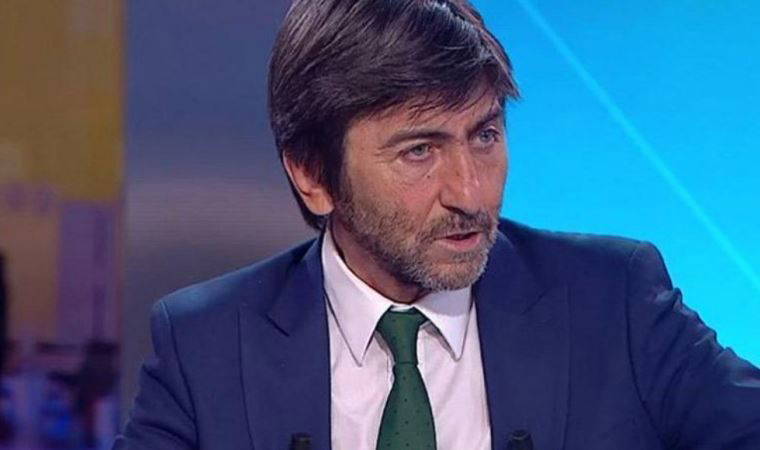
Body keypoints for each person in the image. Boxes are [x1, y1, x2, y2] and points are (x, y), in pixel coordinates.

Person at [114, 0, 760, 449]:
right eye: (419, 151)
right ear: (312, 174)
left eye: (485, 136)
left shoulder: (614, 300)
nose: (470, 193)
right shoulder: (207, 343)